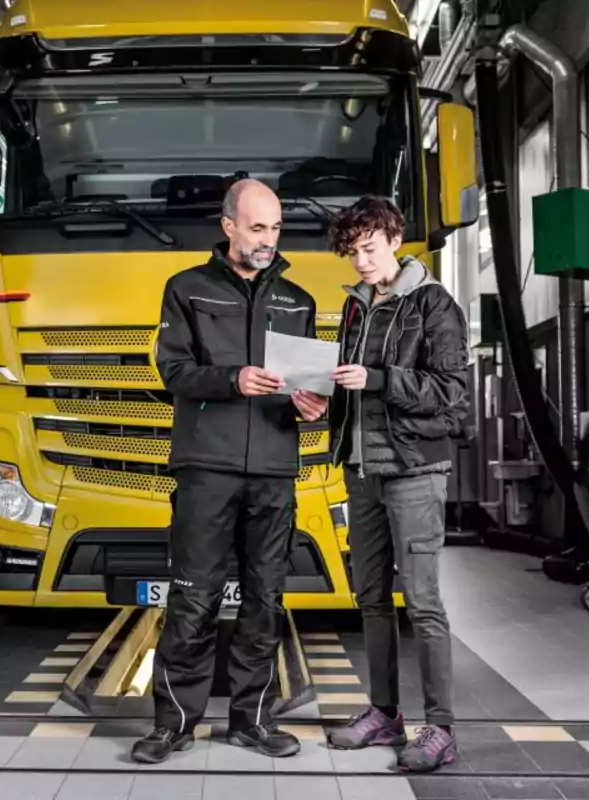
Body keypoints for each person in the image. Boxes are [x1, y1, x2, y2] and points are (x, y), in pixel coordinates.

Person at [131, 179, 329, 764]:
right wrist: (232, 380)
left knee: (265, 599)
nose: (268, 240)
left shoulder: (297, 300)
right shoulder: (186, 290)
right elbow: (173, 371)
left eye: (275, 228)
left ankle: (253, 720)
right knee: (193, 597)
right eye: (257, 228)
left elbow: (306, 382)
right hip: (206, 468)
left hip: (273, 467)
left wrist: (313, 403)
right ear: (228, 226)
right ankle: (173, 725)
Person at [323, 195, 470, 772]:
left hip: (413, 472)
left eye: (369, 247)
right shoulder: (356, 309)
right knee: (371, 601)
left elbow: (452, 391)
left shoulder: (433, 303)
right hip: (362, 472)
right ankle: (385, 715)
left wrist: (381, 378)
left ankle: (441, 728)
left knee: (424, 604)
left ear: (394, 239)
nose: (360, 261)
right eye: (352, 252)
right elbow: (351, 388)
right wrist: (320, 399)